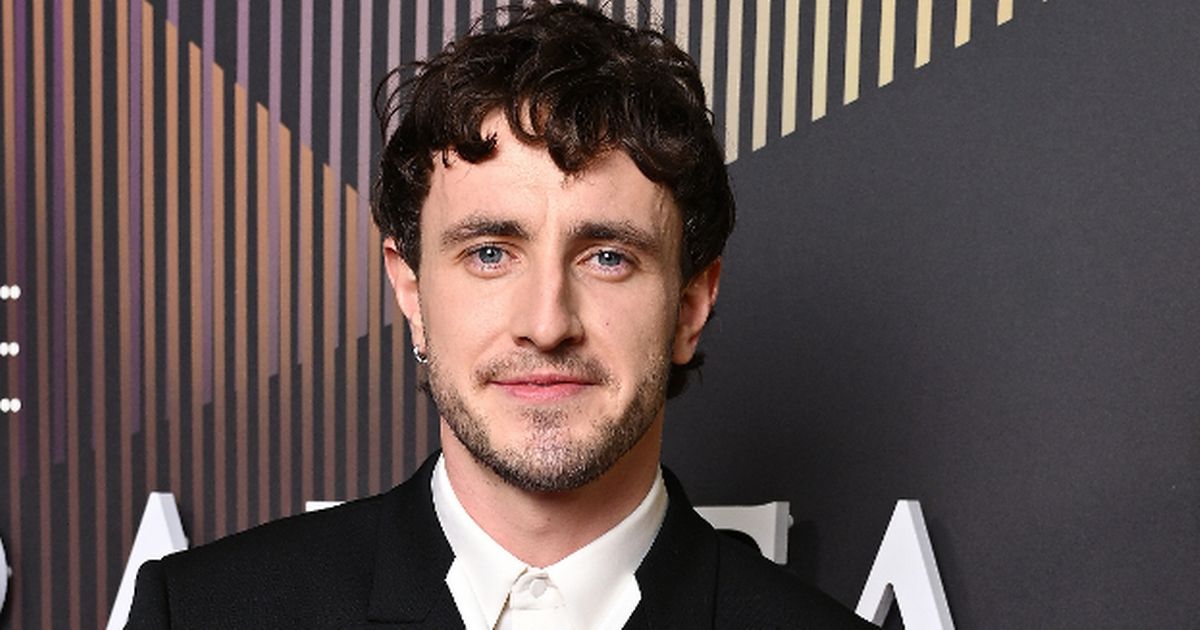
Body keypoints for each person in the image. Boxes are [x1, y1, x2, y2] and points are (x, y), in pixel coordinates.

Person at [127, 3, 873, 628]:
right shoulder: (200, 614)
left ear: (690, 305)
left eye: (607, 256)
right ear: (412, 291)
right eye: (490, 253)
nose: (546, 324)